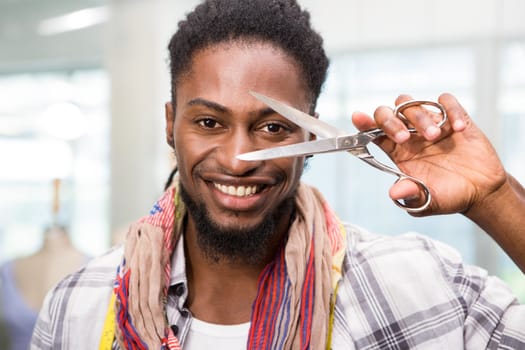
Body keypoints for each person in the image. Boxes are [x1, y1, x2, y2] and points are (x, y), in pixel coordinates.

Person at [31, 0, 525, 349]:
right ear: (170, 125)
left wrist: (496, 197)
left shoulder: (417, 282)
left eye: (272, 127)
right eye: (209, 122)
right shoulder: (82, 302)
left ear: (311, 139)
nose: (239, 156)